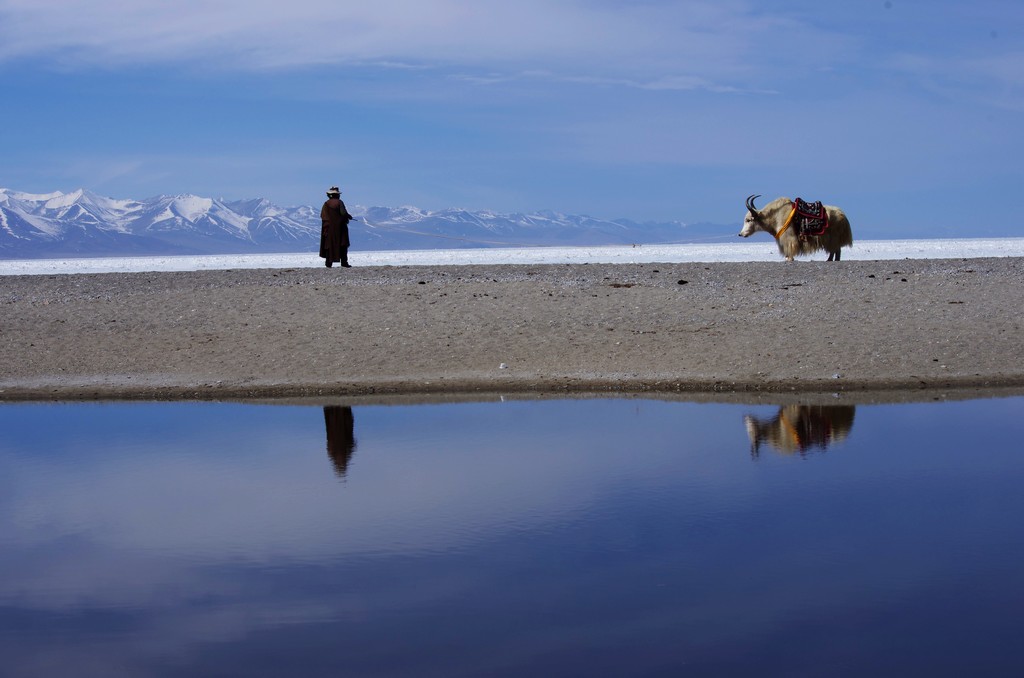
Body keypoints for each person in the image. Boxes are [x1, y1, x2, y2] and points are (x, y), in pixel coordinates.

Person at [320, 186, 354, 268]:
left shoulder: (326, 204)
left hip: (329, 228)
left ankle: (328, 263)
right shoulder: (339, 202)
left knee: (329, 245)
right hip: (340, 228)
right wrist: (349, 216)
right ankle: (344, 262)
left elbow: (323, 216)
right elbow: (343, 213)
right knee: (342, 244)